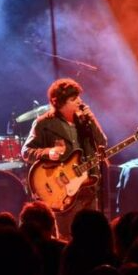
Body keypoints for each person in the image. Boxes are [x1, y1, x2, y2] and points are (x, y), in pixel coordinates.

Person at [22, 78, 108, 238]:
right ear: (59, 102)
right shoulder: (44, 123)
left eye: (79, 97)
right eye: (73, 99)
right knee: (67, 238)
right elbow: (26, 152)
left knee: (93, 238)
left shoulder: (84, 121)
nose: (79, 101)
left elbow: (102, 142)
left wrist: (92, 119)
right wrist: (48, 152)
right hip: (63, 192)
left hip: (88, 188)